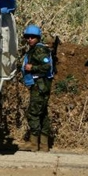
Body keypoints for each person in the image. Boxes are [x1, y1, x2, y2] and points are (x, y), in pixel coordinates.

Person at [19, 24, 54, 152]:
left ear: (38, 38)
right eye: (28, 37)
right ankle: (44, 145)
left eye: (33, 37)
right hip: (40, 85)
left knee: (33, 113)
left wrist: (32, 68)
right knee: (42, 114)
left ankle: (34, 144)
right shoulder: (35, 49)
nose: (30, 39)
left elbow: (46, 67)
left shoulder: (39, 50)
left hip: (40, 86)